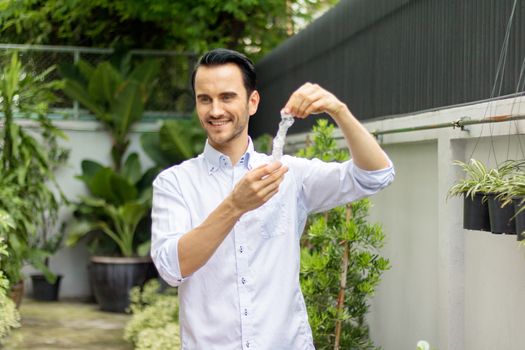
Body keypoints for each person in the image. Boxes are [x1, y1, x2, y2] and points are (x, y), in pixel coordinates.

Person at [151, 48, 395, 350]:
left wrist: (338, 110)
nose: (215, 110)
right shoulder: (175, 183)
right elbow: (171, 268)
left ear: (252, 102)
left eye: (227, 97)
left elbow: (375, 175)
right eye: (205, 99)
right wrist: (235, 206)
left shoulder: (288, 173)